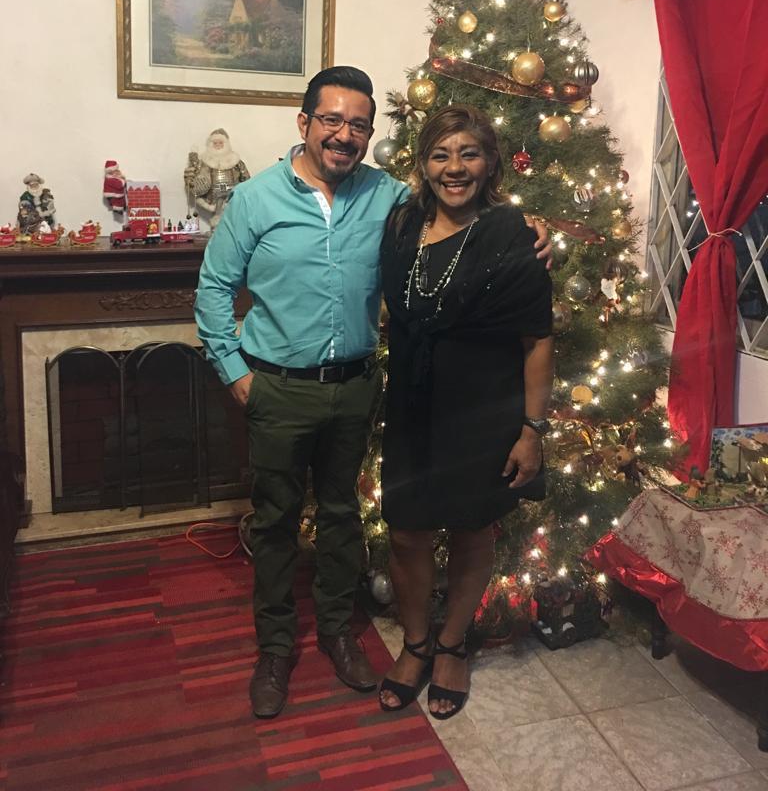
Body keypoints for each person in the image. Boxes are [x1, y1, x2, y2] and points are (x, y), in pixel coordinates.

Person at [194, 66, 552, 721]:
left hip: (358, 386)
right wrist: (235, 372)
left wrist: (529, 227)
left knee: (341, 518)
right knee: (274, 523)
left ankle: (337, 632)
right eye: (331, 120)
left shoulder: (388, 199)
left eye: (358, 124)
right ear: (305, 123)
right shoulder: (254, 199)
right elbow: (214, 288)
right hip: (278, 387)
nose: (344, 135)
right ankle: (275, 649)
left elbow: (463, 207)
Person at [378, 104, 554, 721]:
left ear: (490, 162)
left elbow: (537, 339)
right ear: (423, 165)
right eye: (441, 155)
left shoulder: (512, 234)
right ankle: (416, 644)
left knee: (472, 531)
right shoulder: (401, 223)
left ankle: (452, 645)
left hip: (484, 413)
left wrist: (532, 430)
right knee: (406, 532)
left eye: (469, 154)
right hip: (411, 409)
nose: (455, 168)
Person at [184, 129, 250, 229]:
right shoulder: (203, 163)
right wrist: (190, 178)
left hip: (233, 199)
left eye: (220, 143)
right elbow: (194, 185)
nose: (218, 145)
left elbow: (247, 181)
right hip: (211, 201)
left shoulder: (236, 162)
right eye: (215, 143)